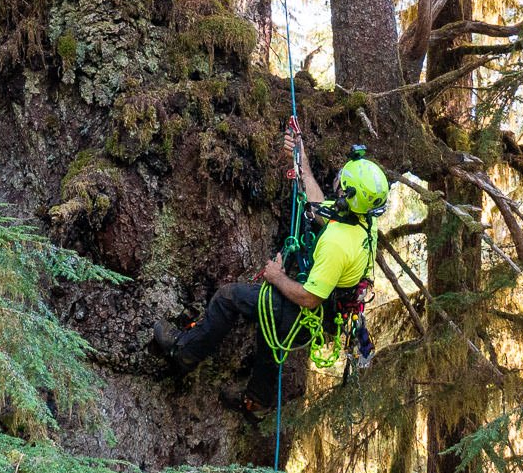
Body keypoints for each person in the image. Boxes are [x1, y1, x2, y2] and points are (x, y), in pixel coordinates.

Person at [151, 120, 388, 414]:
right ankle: (258, 400)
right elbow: (316, 205)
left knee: (230, 298)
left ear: (347, 197)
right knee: (269, 327)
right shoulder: (365, 221)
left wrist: (275, 277)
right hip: (328, 309)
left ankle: (185, 352)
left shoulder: (338, 243)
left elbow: (309, 297)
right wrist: (301, 160)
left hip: (310, 310)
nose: (337, 184)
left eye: (342, 183)